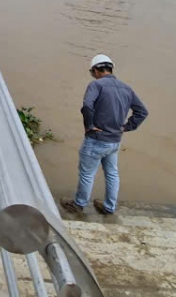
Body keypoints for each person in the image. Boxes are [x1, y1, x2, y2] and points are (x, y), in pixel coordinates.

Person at [61, 54, 148, 216]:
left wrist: (89, 126)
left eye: (92, 72)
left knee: (87, 174)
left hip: (96, 140)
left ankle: (78, 204)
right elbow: (142, 112)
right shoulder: (126, 88)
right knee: (112, 174)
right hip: (114, 141)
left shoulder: (96, 85)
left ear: (96, 70)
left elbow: (87, 105)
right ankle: (109, 207)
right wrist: (126, 127)